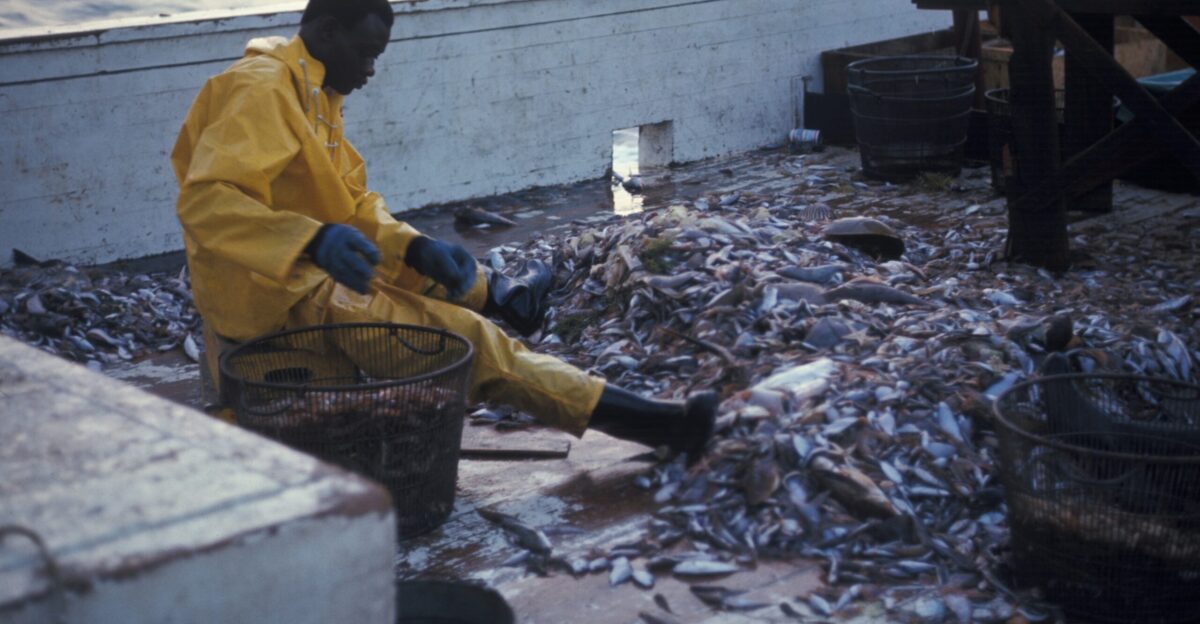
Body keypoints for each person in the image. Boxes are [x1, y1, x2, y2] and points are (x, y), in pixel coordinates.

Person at [170, 0, 715, 460]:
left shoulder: (314, 89)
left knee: (422, 266)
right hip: (279, 296)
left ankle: (505, 295)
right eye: (366, 53)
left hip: (307, 269)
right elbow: (207, 200)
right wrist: (310, 241)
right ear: (328, 32)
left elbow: (350, 202)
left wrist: (413, 246)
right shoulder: (263, 90)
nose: (371, 70)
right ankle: (659, 425)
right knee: (472, 344)